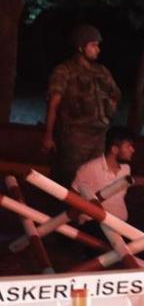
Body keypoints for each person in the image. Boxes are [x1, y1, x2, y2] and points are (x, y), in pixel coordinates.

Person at [42, 24, 122, 185]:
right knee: (71, 182)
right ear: (80, 47)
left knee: (94, 182)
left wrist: (108, 110)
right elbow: (53, 104)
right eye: (93, 45)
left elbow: (116, 94)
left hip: (99, 137)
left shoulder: (102, 71)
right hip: (74, 138)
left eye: (98, 45)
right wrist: (48, 135)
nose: (98, 49)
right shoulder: (65, 71)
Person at [72, 126, 135, 236]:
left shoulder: (126, 170)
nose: (132, 150)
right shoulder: (90, 168)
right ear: (114, 150)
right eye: (128, 146)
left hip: (121, 226)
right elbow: (72, 196)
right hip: (95, 226)